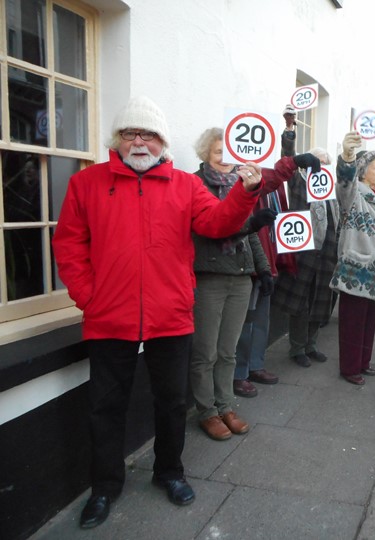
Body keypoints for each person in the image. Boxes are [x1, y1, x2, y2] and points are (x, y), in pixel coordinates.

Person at [52, 96, 263, 529]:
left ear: (163, 142)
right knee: (105, 407)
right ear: (118, 139)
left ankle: (170, 472)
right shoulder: (87, 183)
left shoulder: (186, 185)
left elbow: (218, 223)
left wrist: (245, 192)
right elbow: (69, 245)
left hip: (170, 314)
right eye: (130, 133)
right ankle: (105, 487)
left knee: (171, 403)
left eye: (148, 134)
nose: (139, 141)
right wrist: (89, 297)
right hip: (109, 316)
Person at [188, 127, 278, 441]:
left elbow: (251, 234)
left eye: (228, 154)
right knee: (206, 352)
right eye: (217, 153)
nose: (224, 160)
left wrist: (263, 270)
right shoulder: (195, 185)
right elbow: (208, 230)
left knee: (228, 351)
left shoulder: (241, 185)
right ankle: (207, 411)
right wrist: (248, 224)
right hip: (210, 278)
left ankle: (225, 405)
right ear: (205, 155)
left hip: (240, 277)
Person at [232, 132, 321, 395]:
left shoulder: (273, 182)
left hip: (269, 258)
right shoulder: (244, 180)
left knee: (261, 318)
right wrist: (293, 160)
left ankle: (256, 365)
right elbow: (270, 179)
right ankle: (239, 373)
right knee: (244, 322)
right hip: (247, 261)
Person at [331, 131, 375, 385]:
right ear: (363, 170)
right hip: (356, 268)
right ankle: (349, 368)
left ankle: (363, 362)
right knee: (352, 322)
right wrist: (348, 156)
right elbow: (344, 182)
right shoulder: (354, 195)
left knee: (369, 321)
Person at [273, 146, 338, 367]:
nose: (321, 166)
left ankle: (311, 345)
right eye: (317, 161)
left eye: (325, 162)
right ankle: (297, 348)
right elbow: (287, 161)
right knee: (300, 303)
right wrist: (289, 137)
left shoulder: (331, 190)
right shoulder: (298, 182)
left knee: (320, 301)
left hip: (326, 251)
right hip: (303, 250)